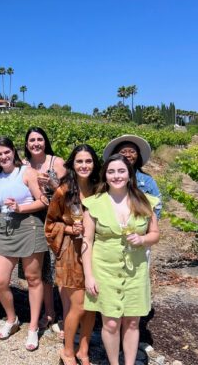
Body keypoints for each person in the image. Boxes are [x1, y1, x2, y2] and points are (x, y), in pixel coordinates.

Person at [81, 154, 160, 365]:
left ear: (129, 174)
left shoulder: (144, 201)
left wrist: (142, 239)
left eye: (121, 171)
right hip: (104, 271)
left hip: (136, 271)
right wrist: (89, 276)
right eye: (111, 171)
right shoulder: (93, 204)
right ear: (105, 175)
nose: (116, 176)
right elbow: (87, 241)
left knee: (133, 322)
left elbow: (155, 234)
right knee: (111, 324)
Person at [45, 144, 100, 365]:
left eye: (88, 161)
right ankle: (67, 351)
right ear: (72, 165)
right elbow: (50, 225)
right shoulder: (63, 191)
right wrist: (69, 229)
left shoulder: (101, 189)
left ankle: (83, 350)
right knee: (78, 305)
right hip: (71, 253)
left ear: (94, 164)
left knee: (93, 305)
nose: (84, 165)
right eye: (79, 161)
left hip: (98, 251)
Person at [0, 136, 47, 351]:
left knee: (33, 279)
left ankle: (33, 328)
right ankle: (12, 318)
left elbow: (43, 201)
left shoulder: (27, 173)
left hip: (29, 227)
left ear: (13, 152)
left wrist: (20, 208)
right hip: (5, 229)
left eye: (6, 152)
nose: (3, 156)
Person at [23, 127, 66, 331]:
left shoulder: (56, 162)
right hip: (33, 220)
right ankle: (49, 312)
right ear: (26, 144)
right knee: (42, 270)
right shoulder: (24, 165)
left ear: (45, 141)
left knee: (60, 268)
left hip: (56, 220)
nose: (36, 143)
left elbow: (69, 190)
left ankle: (66, 315)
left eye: (39, 139)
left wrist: (51, 182)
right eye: (32, 140)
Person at [103, 134, 162, 219]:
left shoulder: (147, 181)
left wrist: (150, 227)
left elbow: (157, 206)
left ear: (138, 155)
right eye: (123, 152)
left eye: (132, 151)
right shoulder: (107, 178)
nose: (128, 155)